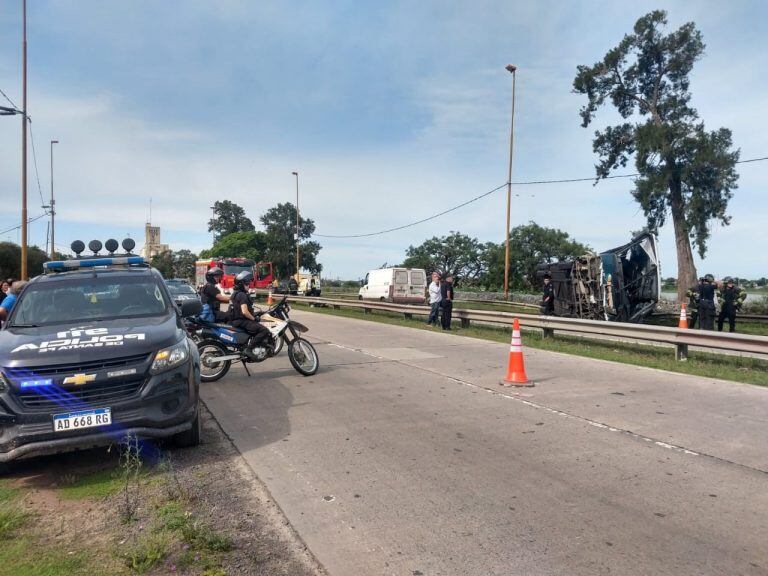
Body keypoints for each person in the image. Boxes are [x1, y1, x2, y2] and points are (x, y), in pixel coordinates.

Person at [229, 271, 270, 358]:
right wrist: (254, 319)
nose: (249, 285)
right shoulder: (242, 295)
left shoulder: (235, 294)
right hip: (241, 321)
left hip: (235, 320)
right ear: (241, 284)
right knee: (264, 330)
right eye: (247, 284)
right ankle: (249, 348)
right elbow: (244, 312)